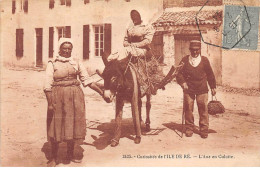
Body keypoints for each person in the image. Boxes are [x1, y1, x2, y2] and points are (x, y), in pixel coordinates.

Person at [43, 38, 103, 167]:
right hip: (57, 96)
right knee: (56, 125)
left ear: (71, 50)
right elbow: (47, 85)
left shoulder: (76, 62)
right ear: (60, 49)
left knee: (73, 124)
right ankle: (54, 156)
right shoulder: (52, 63)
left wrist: (101, 92)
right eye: (64, 48)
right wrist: (50, 103)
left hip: (75, 97)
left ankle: (70, 154)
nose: (66, 51)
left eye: (69, 48)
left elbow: (87, 80)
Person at [176, 40, 216, 139]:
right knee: (188, 108)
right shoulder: (185, 60)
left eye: (197, 50)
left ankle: (204, 129)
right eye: (193, 50)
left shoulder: (204, 60)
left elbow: (210, 74)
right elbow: (178, 73)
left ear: (200, 50)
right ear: (190, 50)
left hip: (202, 88)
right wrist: (183, 83)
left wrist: (213, 87)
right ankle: (189, 128)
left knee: (203, 109)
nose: (195, 52)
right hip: (188, 89)